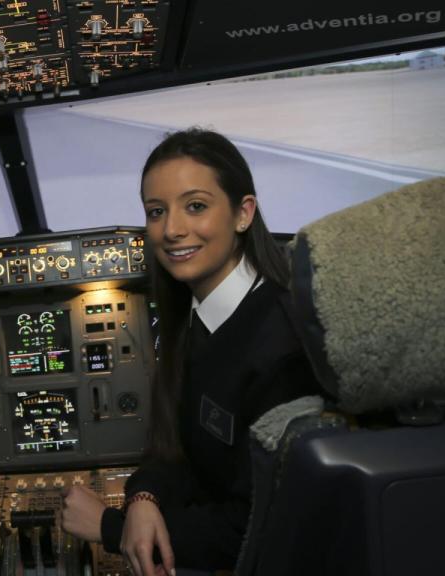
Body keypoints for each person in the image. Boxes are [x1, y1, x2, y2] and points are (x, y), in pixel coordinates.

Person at [61, 128, 317, 576]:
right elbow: (177, 446)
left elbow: (260, 524)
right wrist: (144, 498)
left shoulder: (282, 346)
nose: (172, 230)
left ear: (243, 213)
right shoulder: (197, 316)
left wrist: (109, 526)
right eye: (156, 211)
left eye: (195, 206)